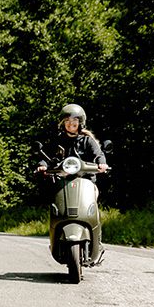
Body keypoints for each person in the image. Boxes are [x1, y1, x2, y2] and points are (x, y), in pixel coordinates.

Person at [34, 104, 109, 258]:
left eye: (74, 121)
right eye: (67, 121)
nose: (71, 124)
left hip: (86, 181)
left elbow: (98, 154)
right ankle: (55, 237)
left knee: (92, 205)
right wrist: (42, 165)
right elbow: (45, 156)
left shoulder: (88, 141)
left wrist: (102, 164)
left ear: (80, 122)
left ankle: (97, 240)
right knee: (56, 207)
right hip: (63, 182)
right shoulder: (58, 140)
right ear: (63, 123)